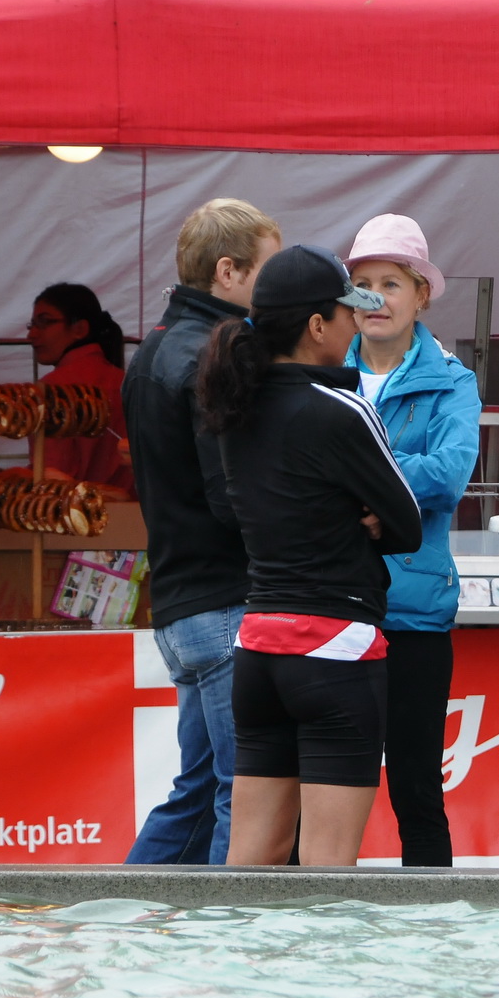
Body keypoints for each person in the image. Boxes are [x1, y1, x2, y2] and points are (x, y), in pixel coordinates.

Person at [196, 244, 423, 866]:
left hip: (259, 645)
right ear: (318, 326)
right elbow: (406, 525)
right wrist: (367, 517)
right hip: (336, 645)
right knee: (328, 875)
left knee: (250, 866)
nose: (356, 324)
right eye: (347, 312)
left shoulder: (233, 405)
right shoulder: (342, 408)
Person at [123, 199, 282, 865]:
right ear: (228, 270)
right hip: (224, 602)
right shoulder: (220, 352)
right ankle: (221, 949)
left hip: (181, 604)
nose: (276, 289)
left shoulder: (152, 348)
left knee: (196, 792)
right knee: (237, 796)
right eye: (268, 272)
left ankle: (114, 926)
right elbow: (231, 495)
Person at [343, 214, 481, 867]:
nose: (374, 297)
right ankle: (305, 938)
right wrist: (396, 480)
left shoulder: (452, 379)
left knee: (416, 790)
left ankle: (433, 940)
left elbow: (451, 473)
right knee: (319, 787)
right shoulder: (321, 371)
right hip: (328, 605)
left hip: (413, 612)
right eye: (361, 284)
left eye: (389, 283)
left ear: (421, 293)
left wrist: (360, 485)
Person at [26, 283, 134, 488]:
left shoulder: (50, 389)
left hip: (76, 512)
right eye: (31, 325)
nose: (31, 335)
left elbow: (52, 474)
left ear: (79, 329)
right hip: (131, 510)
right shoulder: (126, 382)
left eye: (44, 323)